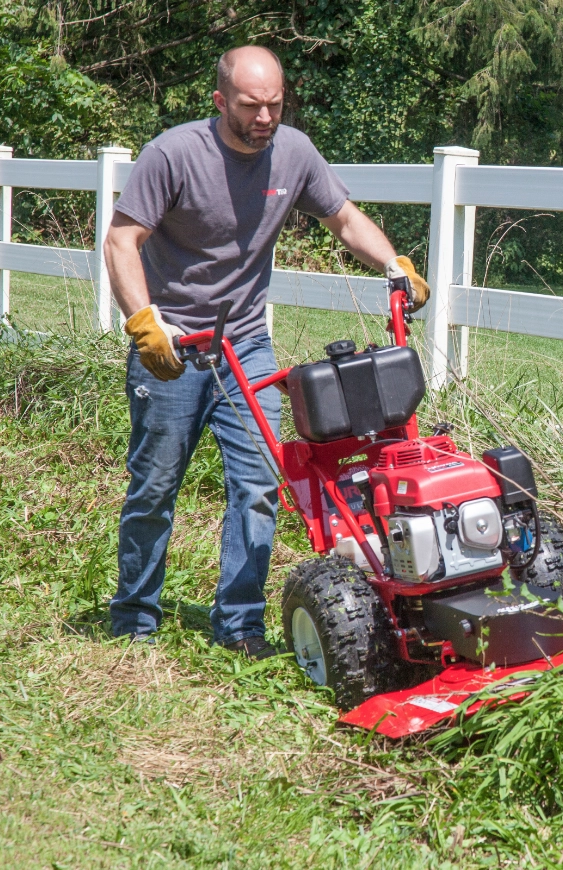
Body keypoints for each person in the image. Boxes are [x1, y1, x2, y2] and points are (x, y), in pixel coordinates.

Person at [104, 45, 429, 659]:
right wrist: (144, 323)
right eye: (252, 106)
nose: (265, 117)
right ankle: (135, 614)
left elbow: (344, 218)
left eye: (275, 105)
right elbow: (122, 240)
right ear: (220, 100)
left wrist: (394, 266)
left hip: (246, 341)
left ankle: (239, 625)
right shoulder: (173, 154)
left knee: (257, 483)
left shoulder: (294, 152)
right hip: (173, 345)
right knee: (155, 484)